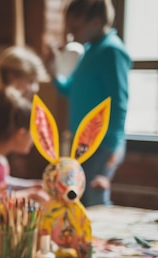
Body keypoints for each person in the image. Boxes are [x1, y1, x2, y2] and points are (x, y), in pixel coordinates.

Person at [46, 0, 131, 207]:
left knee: (94, 198)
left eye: (75, 28)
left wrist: (113, 146)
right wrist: (53, 70)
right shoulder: (89, 51)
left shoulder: (111, 51)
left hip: (103, 142)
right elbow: (68, 90)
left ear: (96, 21)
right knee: (78, 198)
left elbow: (119, 101)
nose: (72, 35)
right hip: (82, 142)